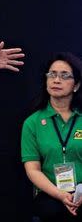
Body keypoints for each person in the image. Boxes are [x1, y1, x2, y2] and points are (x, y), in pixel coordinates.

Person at [21, 52, 82, 222]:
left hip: (81, 190)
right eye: (52, 74)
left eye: (64, 76)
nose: (56, 80)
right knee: (52, 212)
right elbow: (33, 170)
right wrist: (60, 194)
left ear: (76, 85)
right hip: (49, 193)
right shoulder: (32, 123)